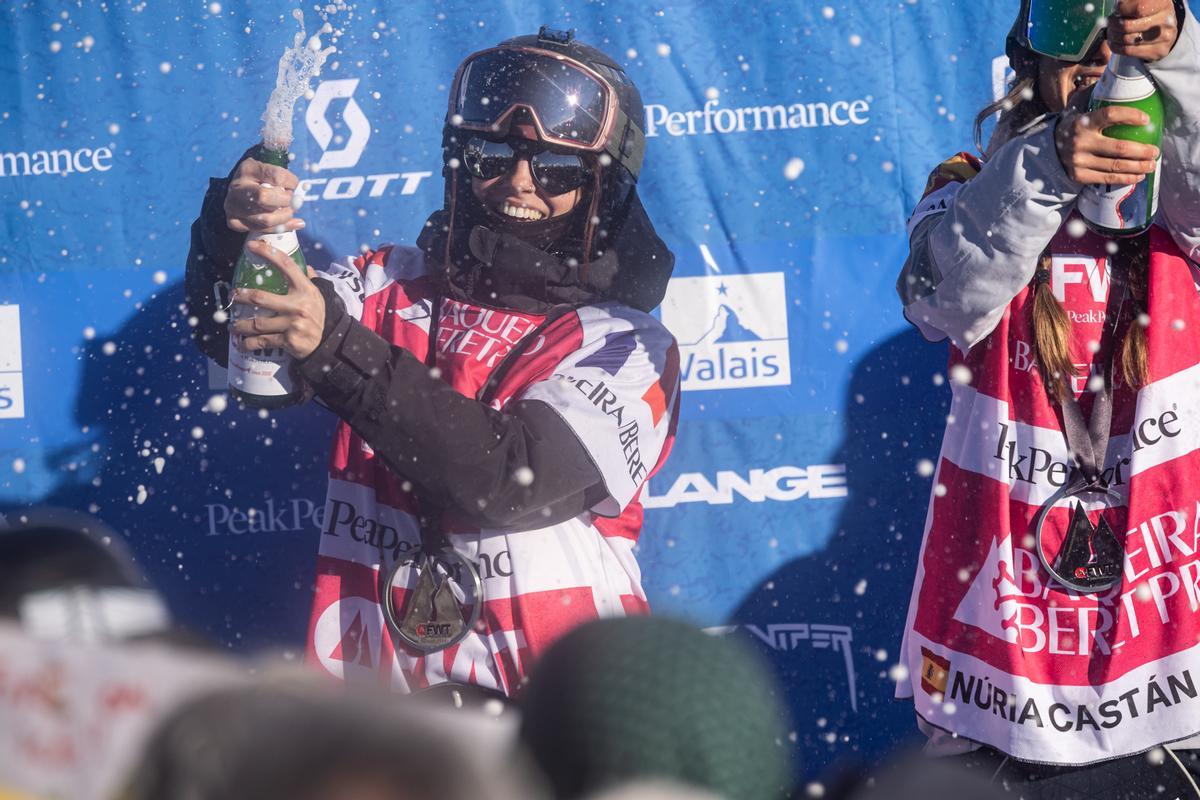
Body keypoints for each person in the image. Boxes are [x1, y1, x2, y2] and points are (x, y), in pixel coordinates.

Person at [185, 27, 679, 698]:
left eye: (556, 169)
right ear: (459, 160)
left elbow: (507, 482)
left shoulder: (628, 344)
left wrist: (332, 345)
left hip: (563, 710)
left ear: (602, 190)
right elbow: (243, 342)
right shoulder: (389, 280)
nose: (518, 182)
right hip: (387, 705)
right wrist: (232, 230)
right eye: (492, 156)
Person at [895, 0, 1200, 795]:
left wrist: (1178, 55)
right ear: (1030, 67)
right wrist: (1048, 166)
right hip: (1007, 654)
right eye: (1074, 43)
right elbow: (941, 298)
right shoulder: (970, 183)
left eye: (1121, 45)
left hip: (1170, 640)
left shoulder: (1183, 201)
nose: (1101, 62)